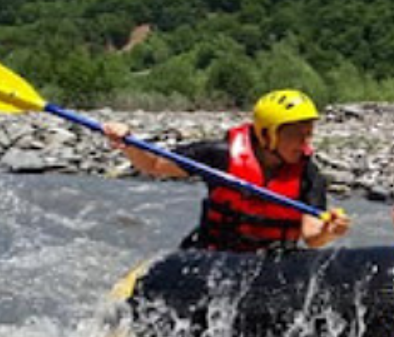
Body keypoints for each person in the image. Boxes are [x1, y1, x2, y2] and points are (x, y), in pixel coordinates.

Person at [102, 89, 351, 252]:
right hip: (214, 257)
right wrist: (127, 140)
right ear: (267, 135)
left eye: (308, 135)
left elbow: (311, 236)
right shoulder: (219, 155)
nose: (305, 144)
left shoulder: (308, 174)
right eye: (296, 136)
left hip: (271, 265)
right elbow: (153, 165)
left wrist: (329, 232)